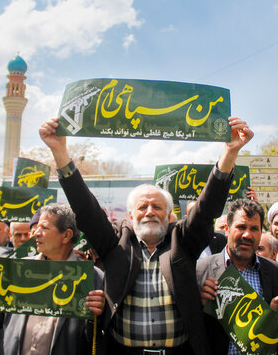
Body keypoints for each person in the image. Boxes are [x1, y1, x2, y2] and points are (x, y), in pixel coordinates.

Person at [40, 116, 253, 355]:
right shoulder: (116, 244)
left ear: (169, 214)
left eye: (157, 207)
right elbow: (86, 208)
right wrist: (59, 151)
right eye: (142, 207)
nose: (149, 212)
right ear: (131, 216)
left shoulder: (182, 241)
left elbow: (206, 208)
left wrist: (229, 152)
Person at [0, 204, 106, 355]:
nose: (36, 233)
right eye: (36, 227)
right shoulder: (19, 270)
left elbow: (99, 340)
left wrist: (97, 316)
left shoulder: (93, 279)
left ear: (66, 235)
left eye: (44, 228)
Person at [197, 199, 278, 354]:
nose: (247, 235)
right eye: (241, 227)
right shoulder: (200, 272)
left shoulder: (277, 274)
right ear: (226, 229)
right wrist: (201, 305)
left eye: (254, 229)